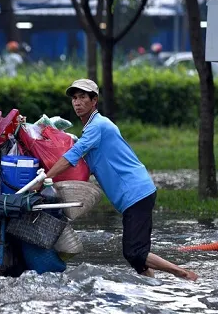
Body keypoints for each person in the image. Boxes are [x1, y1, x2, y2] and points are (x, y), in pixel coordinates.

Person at [44, 79, 198, 281]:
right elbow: (86, 167)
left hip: (135, 193)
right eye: (74, 98)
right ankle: (152, 286)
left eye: (82, 97)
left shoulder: (97, 126)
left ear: (94, 101)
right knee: (136, 257)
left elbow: (73, 155)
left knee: (134, 252)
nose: (77, 102)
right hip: (133, 195)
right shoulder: (92, 128)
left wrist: (45, 178)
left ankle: (183, 274)